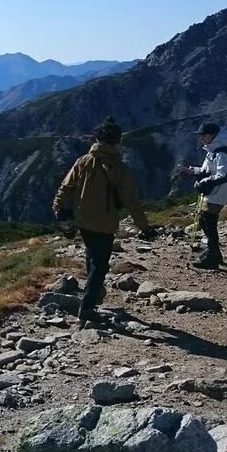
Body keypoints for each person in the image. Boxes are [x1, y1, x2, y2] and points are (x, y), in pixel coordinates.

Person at [53, 117, 156, 324]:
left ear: (97, 139)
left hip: (82, 220)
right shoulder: (120, 169)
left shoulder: (83, 161)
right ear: (117, 141)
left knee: (92, 255)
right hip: (105, 223)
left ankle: (94, 292)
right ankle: (88, 307)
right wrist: (145, 228)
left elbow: (66, 186)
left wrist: (58, 207)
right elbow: (132, 202)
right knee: (100, 265)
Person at [179, 122, 227, 269]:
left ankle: (212, 257)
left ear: (213, 135)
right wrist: (195, 171)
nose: (201, 138)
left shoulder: (221, 152)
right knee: (205, 222)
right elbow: (208, 171)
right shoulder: (213, 151)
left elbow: (224, 175)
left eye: (203, 135)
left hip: (217, 194)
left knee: (208, 223)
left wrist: (205, 182)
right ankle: (214, 254)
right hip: (212, 194)